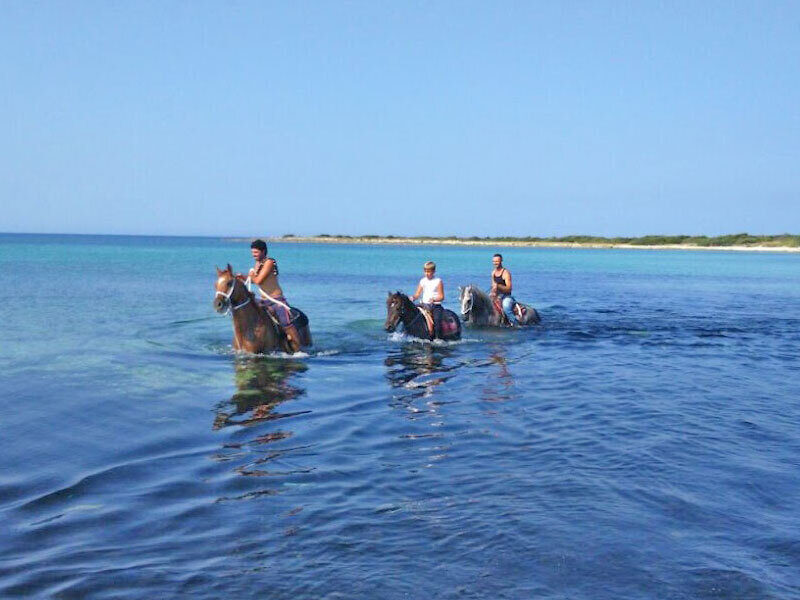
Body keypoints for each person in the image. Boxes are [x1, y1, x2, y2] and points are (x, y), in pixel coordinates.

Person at [238, 239, 301, 352]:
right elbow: (253, 279)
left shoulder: (269, 262)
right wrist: (242, 277)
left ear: (263, 251)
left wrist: (251, 275)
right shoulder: (257, 263)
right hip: (263, 300)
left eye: (256, 253)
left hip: (276, 300)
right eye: (252, 253)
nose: (254, 255)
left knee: (286, 322)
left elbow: (258, 280)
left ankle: (298, 348)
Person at [409, 261, 444, 338]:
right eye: (425, 271)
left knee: (437, 321)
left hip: (435, 305)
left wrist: (434, 299)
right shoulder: (422, 281)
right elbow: (417, 294)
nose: (427, 273)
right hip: (424, 305)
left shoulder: (438, 281)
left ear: (433, 271)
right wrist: (413, 297)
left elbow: (442, 297)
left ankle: (437, 338)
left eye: (429, 271)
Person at [490, 253, 518, 325]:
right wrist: (492, 292)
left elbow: (509, 288)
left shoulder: (505, 273)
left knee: (506, 308)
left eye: (497, 261)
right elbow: (493, 286)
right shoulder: (493, 273)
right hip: (497, 296)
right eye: (494, 261)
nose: (495, 263)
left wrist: (498, 286)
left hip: (506, 296)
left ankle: (516, 324)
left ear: (501, 261)